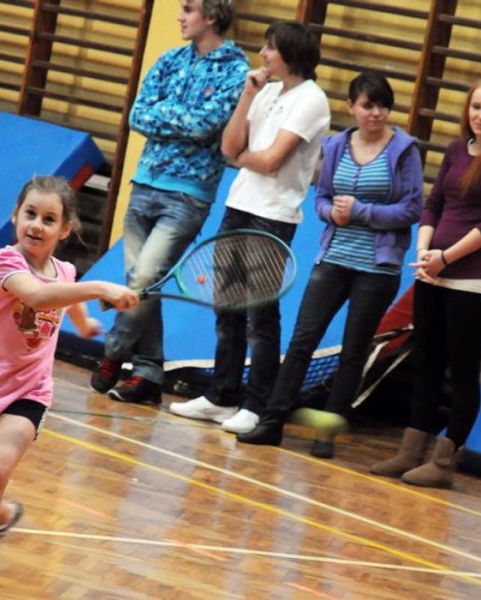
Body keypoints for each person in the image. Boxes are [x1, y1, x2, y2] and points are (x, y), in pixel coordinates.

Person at [0, 176, 139, 593]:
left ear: (64, 229)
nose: (37, 224)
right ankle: (3, 515)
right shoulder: (5, 264)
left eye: (49, 219)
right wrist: (103, 286)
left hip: (29, 393)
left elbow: (65, 295)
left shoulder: (65, 271)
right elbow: (39, 297)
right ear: (15, 215)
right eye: (30, 214)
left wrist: (87, 324)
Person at [235, 72, 424, 457]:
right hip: (333, 257)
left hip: (378, 265)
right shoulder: (336, 145)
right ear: (351, 107)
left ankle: (327, 434)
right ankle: (272, 422)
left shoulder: (404, 149)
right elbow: (320, 197)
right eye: (368, 105)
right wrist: (331, 214)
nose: (376, 113)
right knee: (303, 339)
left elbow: (412, 208)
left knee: (354, 350)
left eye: (383, 105)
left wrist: (361, 211)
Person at [169, 21, 331, 434]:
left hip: (273, 215)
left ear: (290, 55)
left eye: (270, 48)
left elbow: (273, 160)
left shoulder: (311, 100)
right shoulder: (267, 91)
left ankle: (256, 403)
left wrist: (244, 156)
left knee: (260, 313)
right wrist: (246, 95)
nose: (262, 54)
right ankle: (221, 395)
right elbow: (229, 147)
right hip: (238, 205)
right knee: (227, 308)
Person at [369, 75, 481, 488]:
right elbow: (434, 204)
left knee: (460, 373)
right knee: (426, 365)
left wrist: (447, 258)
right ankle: (410, 450)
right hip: (432, 274)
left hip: (470, 284)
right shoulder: (457, 149)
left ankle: (444, 462)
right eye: (476, 107)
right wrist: (424, 252)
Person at [90, 0, 249, 406]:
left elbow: (206, 125)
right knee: (149, 286)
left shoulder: (235, 70)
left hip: (188, 195)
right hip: (143, 184)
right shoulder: (168, 59)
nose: (180, 16)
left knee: (141, 280)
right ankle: (147, 372)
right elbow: (138, 115)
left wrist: (169, 116)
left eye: (188, 8)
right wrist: (181, 118)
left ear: (211, 17)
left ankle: (112, 353)